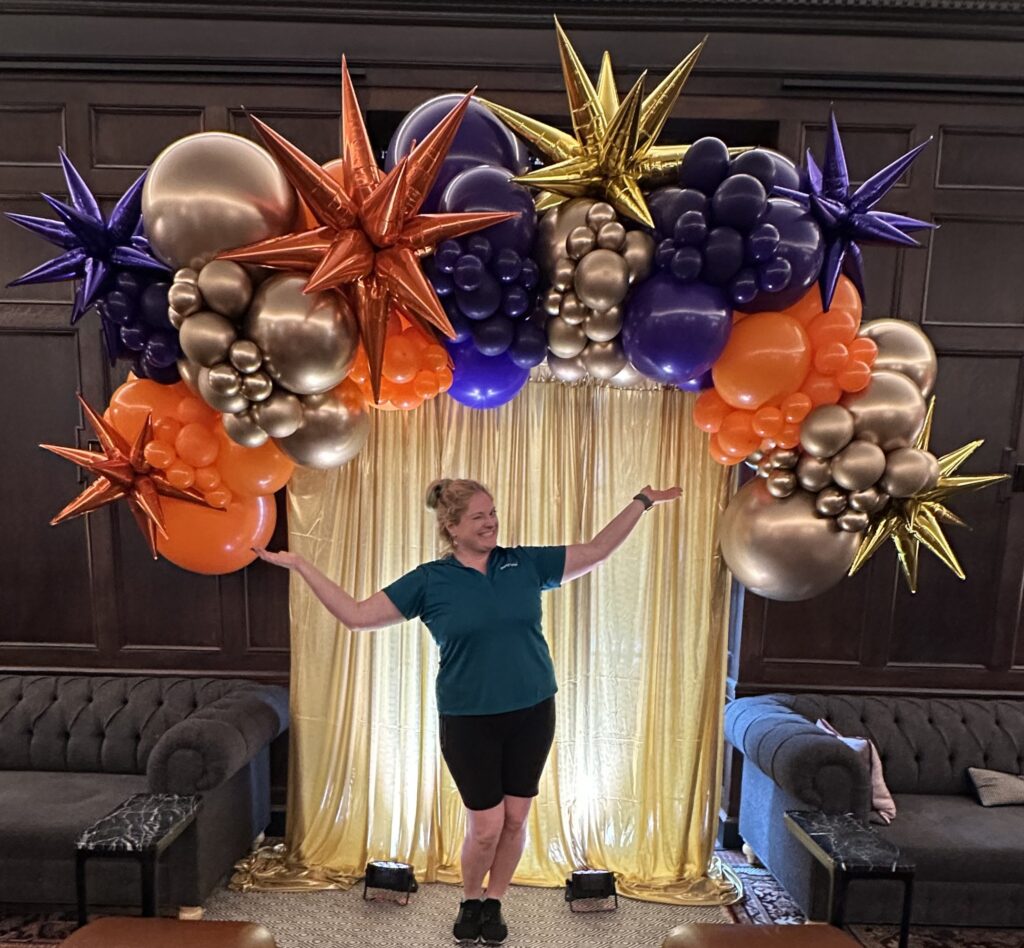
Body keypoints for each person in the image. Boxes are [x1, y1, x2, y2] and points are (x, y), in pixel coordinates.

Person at [255, 477, 681, 945]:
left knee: (516, 818)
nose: (491, 522)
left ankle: (494, 903)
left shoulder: (523, 563)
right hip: (468, 719)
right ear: (452, 527)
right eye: (479, 516)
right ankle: (470, 899)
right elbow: (356, 616)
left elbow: (598, 550)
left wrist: (642, 502)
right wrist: (298, 564)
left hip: (533, 710)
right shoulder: (429, 581)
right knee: (486, 827)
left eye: (492, 512)